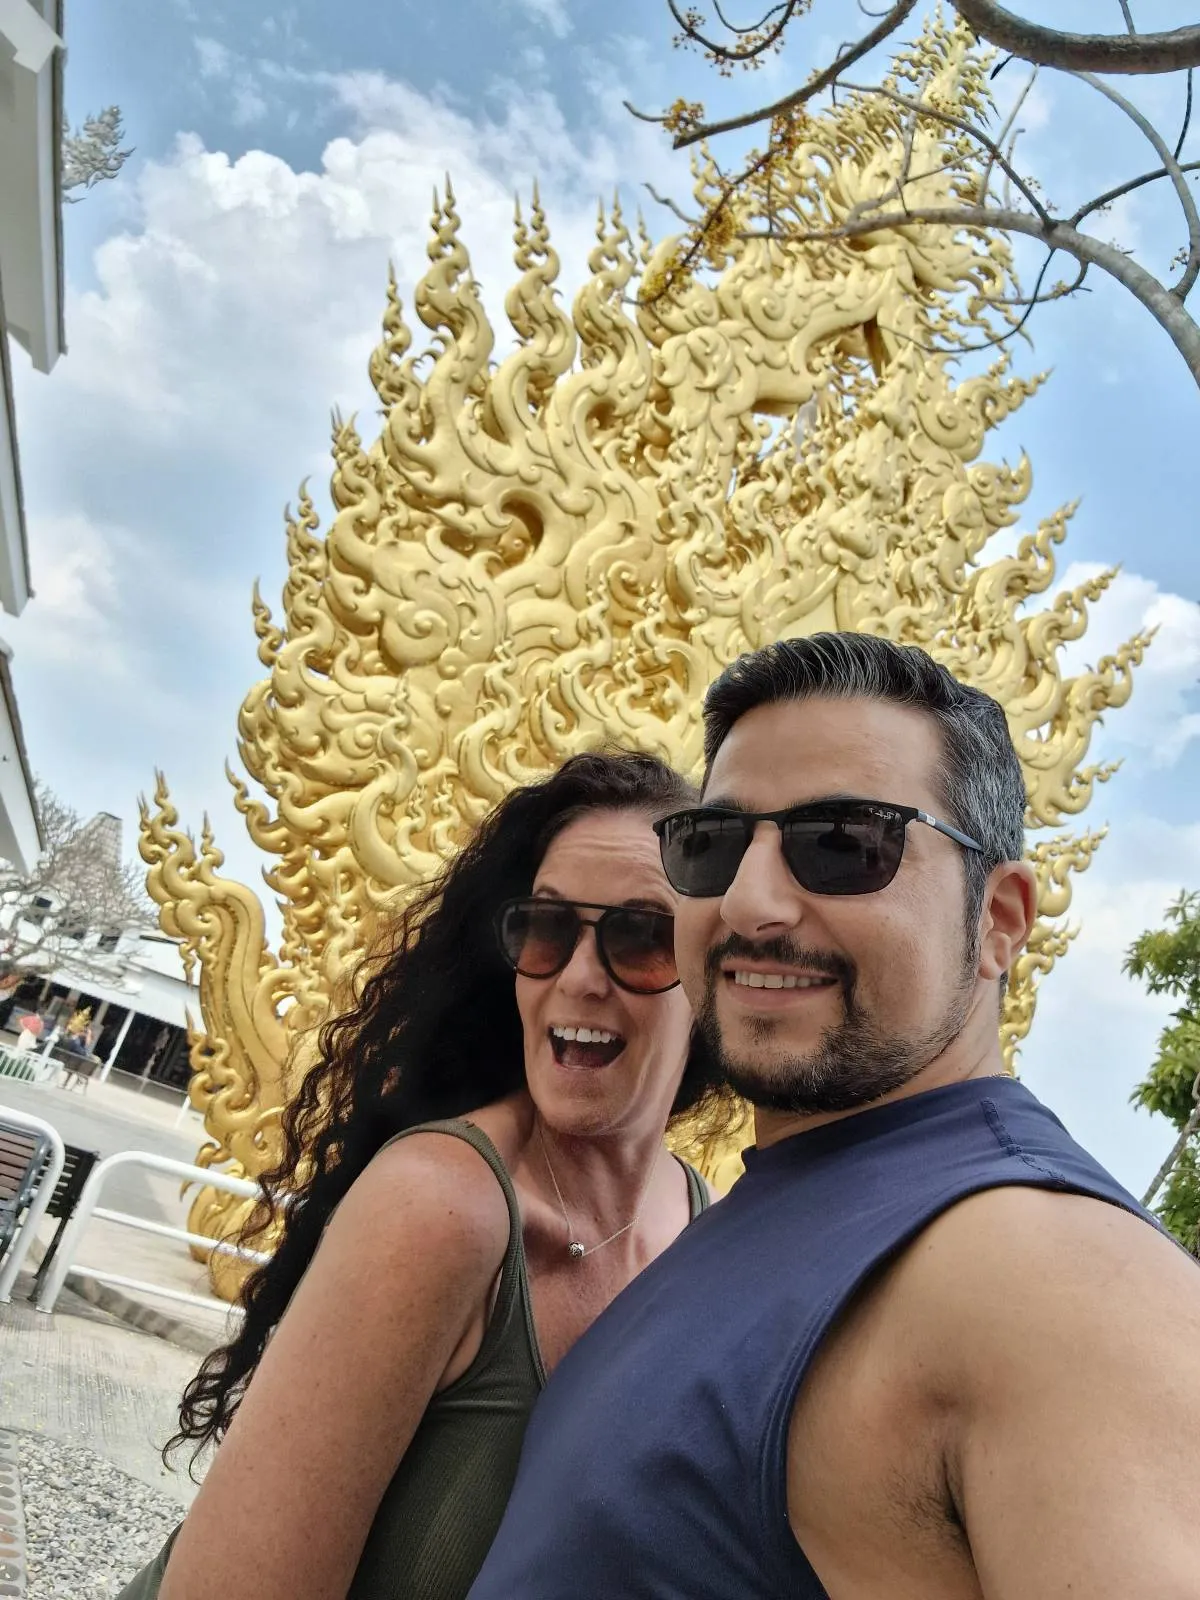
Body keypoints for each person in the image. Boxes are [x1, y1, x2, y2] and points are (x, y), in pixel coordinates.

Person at [467, 633, 1200, 1600]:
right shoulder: (771, 1208)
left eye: (846, 845)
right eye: (713, 844)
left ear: (1000, 919)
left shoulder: (1053, 1279)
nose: (750, 903)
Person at [119, 750, 734, 1600]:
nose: (579, 978)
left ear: (714, 974)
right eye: (548, 930)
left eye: (641, 938)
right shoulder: (440, 1204)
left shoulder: (706, 1235)